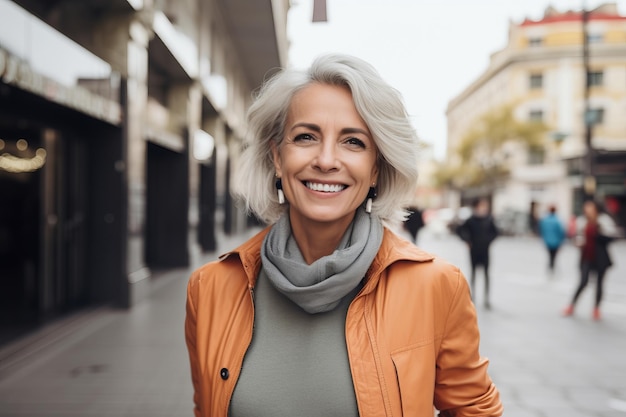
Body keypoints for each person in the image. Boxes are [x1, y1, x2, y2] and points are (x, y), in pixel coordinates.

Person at [184, 54, 503, 417]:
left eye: (353, 142)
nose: (326, 159)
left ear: (376, 170)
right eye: (306, 136)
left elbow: (475, 409)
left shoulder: (436, 286)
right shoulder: (209, 289)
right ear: (276, 157)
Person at [563, 199, 618, 321]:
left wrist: (599, 234)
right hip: (586, 256)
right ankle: (571, 305)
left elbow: (611, 237)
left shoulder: (603, 220)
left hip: (601, 257)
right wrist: (578, 242)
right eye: (586, 207)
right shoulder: (582, 221)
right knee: (583, 282)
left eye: (590, 207)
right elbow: (576, 236)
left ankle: (596, 309)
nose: (588, 210)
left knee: (599, 283)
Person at [456, 198, 499, 309]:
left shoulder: (489, 219)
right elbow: (459, 230)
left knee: (486, 275)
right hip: (474, 250)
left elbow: (496, 232)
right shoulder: (471, 220)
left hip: (485, 250)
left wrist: (488, 241)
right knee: (473, 274)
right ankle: (472, 297)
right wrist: (467, 240)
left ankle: (486, 299)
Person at [538, 204, 566, 274]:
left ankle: (551, 267)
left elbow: (542, 230)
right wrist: (562, 241)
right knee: (553, 256)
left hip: (547, 241)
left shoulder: (545, 220)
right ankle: (552, 267)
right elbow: (561, 232)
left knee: (550, 256)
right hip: (556, 242)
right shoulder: (557, 221)